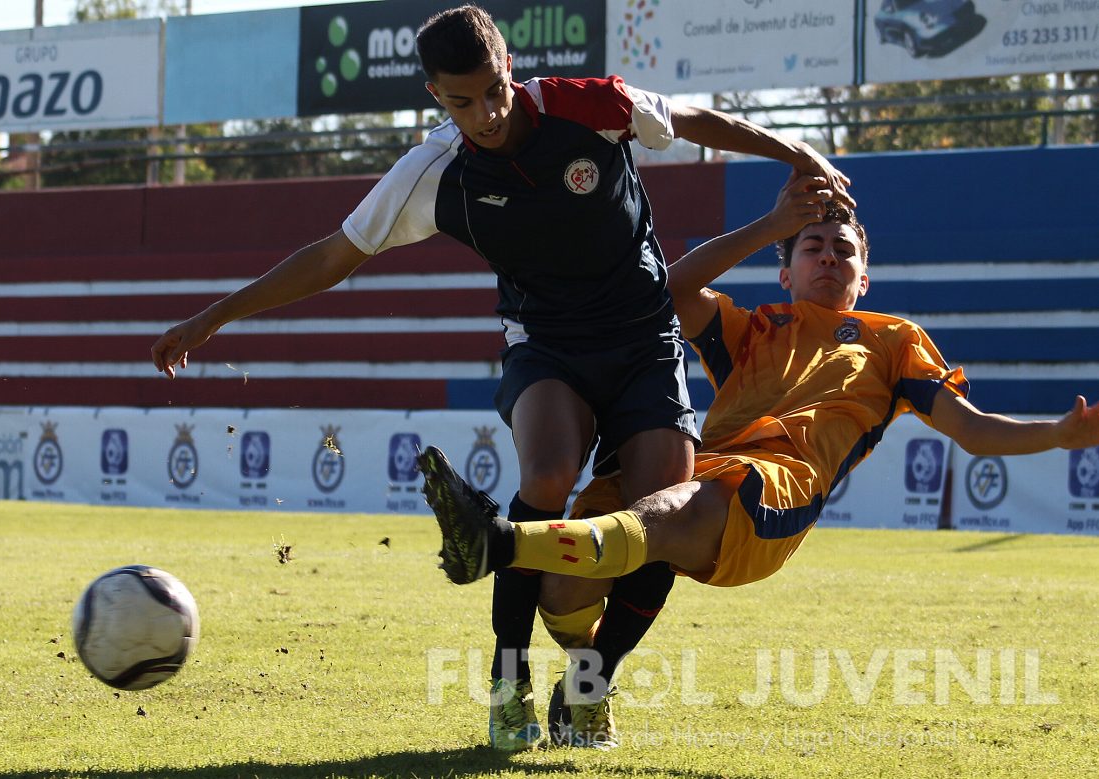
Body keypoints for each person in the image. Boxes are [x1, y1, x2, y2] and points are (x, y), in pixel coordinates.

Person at [150, 4, 851, 752]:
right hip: (546, 343)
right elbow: (333, 255)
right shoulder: (433, 170)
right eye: (462, 100)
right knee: (547, 478)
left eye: (493, 89)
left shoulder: (593, 105)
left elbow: (690, 118)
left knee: (663, 514)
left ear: (509, 67)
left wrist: (793, 152)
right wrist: (214, 316)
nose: (484, 112)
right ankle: (507, 681)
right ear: (434, 96)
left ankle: (589, 689)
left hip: (644, 337)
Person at [417, 174, 1099, 748]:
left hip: (775, 491)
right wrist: (767, 221)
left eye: (843, 249)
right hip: (706, 469)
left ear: (864, 275)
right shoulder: (755, 326)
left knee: (662, 508)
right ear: (786, 268)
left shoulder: (895, 341)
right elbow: (670, 291)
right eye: (812, 245)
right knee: (565, 586)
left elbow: (973, 431)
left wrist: (1060, 433)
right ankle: (586, 688)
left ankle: (496, 543)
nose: (828, 256)